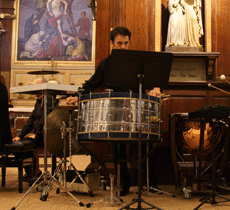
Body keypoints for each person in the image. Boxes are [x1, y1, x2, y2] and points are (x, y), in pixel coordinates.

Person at [66, 27, 161, 196]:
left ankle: (150, 183)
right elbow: (91, 84)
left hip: (138, 108)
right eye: (119, 43)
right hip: (116, 109)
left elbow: (153, 78)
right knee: (118, 147)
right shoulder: (106, 63)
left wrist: (155, 88)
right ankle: (123, 184)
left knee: (145, 144)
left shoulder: (138, 61)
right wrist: (78, 96)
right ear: (112, 43)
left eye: (126, 43)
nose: (123, 47)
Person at [12, 78, 56, 179]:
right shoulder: (38, 101)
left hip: (45, 135)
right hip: (37, 134)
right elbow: (31, 121)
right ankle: (32, 171)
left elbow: (45, 119)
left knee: (21, 147)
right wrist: (20, 136)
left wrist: (37, 134)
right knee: (16, 145)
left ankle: (33, 172)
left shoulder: (48, 100)